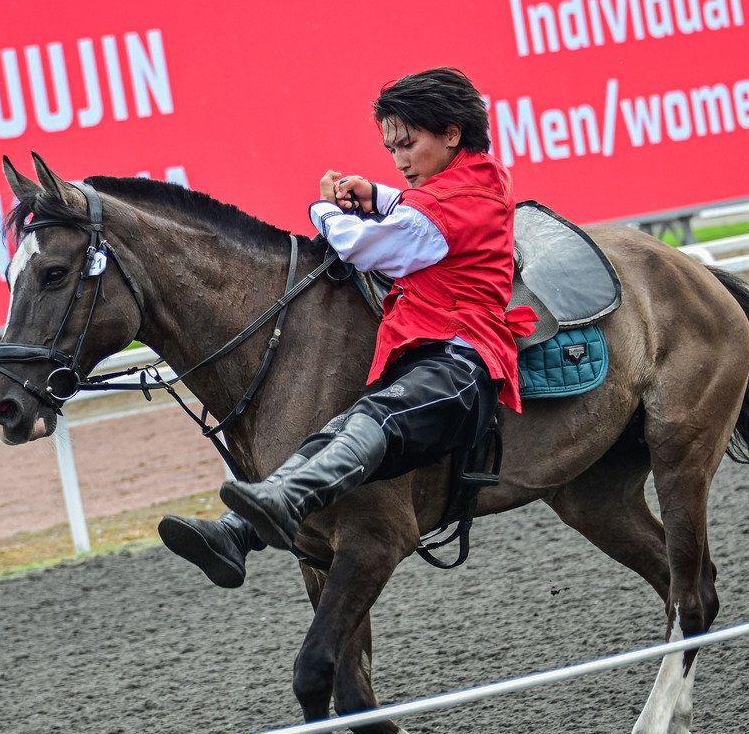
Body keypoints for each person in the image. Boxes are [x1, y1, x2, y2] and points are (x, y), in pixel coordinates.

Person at [159, 67, 532, 587]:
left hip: (462, 360)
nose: (400, 160)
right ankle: (237, 531)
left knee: (370, 420)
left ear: (452, 134)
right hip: (431, 352)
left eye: (408, 144)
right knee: (346, 422)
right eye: (391, 150)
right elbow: (417, 207)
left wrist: (323, 210)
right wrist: (375, 196)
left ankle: (265, 511)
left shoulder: (452, 204)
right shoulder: (474, 177)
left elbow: (361, 247)